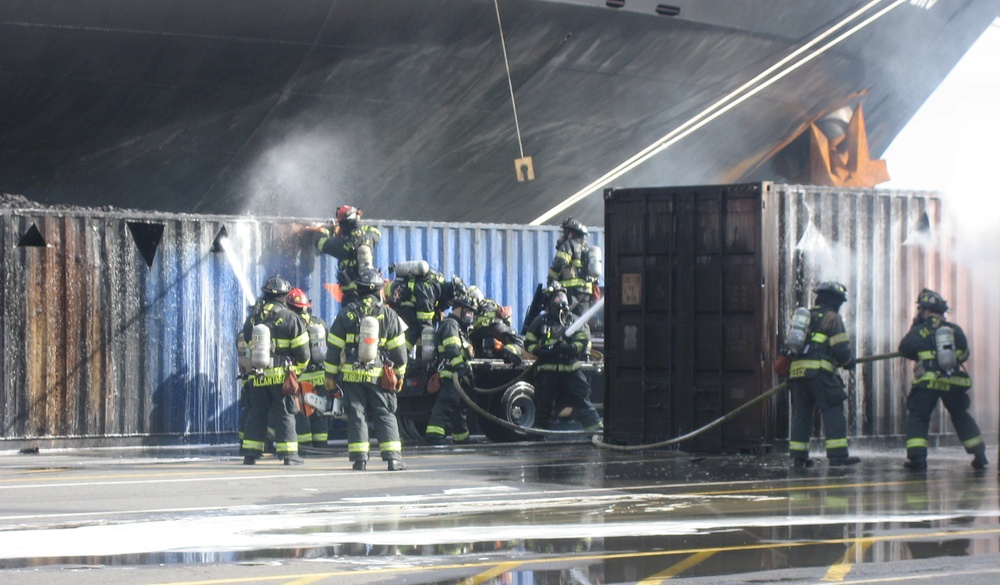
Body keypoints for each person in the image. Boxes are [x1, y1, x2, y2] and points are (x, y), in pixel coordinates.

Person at [324, 268, 409, 471]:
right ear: (380, 290)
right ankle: (393, 459)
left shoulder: (347, 313)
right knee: (384, 413)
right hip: (379, 376)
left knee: (356, 414)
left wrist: (330, 376)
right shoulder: (389, 314)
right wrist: (399, 375)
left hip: (351, 376)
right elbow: (399, 353)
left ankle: (359, 459)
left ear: (359, 290)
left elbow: (334, 348)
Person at [898, 288, 987, 471]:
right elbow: (963, 354)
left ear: (926, 311)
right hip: (952, 382)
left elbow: (904, 349)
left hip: (927, 383)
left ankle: (918, 460)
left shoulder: (919, 331)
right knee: (961, 416)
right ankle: (980, 455)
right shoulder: (954, 330)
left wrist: (916, 327)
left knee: (919, 417)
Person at [786, 281, 860, 467]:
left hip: (797, 372)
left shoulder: (806, 317)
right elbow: (841, 350)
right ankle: (838, 455)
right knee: (833, 411)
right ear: (835, 301)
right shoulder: (832, 318)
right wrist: (848, 361)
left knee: (801, 414)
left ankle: (799, 457)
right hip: (819, 372)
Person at [240, 276, 310, 465]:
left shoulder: (254, 317)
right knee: (285, 412)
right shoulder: (290, 318)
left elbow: (247, 340)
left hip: (258, 375)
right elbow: (303, 352)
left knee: (257, 412)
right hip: (281, 377)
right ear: (285, 296)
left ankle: (250, 453)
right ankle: (289, 455)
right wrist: (296, 371)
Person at [524, 285, 603, 433]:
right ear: (550, 302)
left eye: (563, 297)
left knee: (581, 400)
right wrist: (540, 351)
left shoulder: (574, 321)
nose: (562, 301)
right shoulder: (540, 321)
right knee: (544, 404)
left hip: (570, 368)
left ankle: (596, 431)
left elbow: (583, 340)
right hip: (548, 369)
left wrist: (571, 348)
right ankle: (539, 435)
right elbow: (528, 342)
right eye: (557, 298)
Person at [424, 294, 477, 445]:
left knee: (459, 407)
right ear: (458, 310)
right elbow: (452, 348)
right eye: (468, 312)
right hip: (450, 373)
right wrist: (460, 366)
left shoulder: (460, 328)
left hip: (458, 374)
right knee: (446, 404)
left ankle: (461, 437)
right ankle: (434, 435)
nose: (470, 316)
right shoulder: (450, 325)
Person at [286, 288, 331, 448]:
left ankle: (305, 447)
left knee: (303, 413)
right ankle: (321, 445)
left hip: (301, 377)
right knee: (319, 412)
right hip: (319, 377)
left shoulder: (291, 323)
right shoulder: (319, 323)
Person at [316, 205, 381, 304]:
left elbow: (319, 242)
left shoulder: (340, 244)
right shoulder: (368, 238)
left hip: (352, 297)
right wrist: (360, 228)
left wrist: (326, 229)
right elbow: (376, 232)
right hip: (372, 294)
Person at [386, 261, 444, 356]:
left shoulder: (435, 284)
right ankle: (399, 355)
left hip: (402, 302)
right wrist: (432, 345)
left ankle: (402, 355)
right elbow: (424, 318)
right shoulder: (431, 289)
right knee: (416, 329)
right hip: (405, 307)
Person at [547, 217, 596, 317]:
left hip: (571, 290)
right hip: (586, 291)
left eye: (565, 232)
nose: (563, 235)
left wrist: (550, 281)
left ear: (571, 233)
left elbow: (560, 264)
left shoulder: (568, 245)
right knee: (581, 321)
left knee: (564, 318)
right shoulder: (586, 247)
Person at [468, 286, 523, 366]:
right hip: (491, 329)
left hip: (481, 332)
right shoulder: (489, 304)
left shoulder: (483, 306)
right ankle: (509, 350)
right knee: (517, 342)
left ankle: (508, 351)